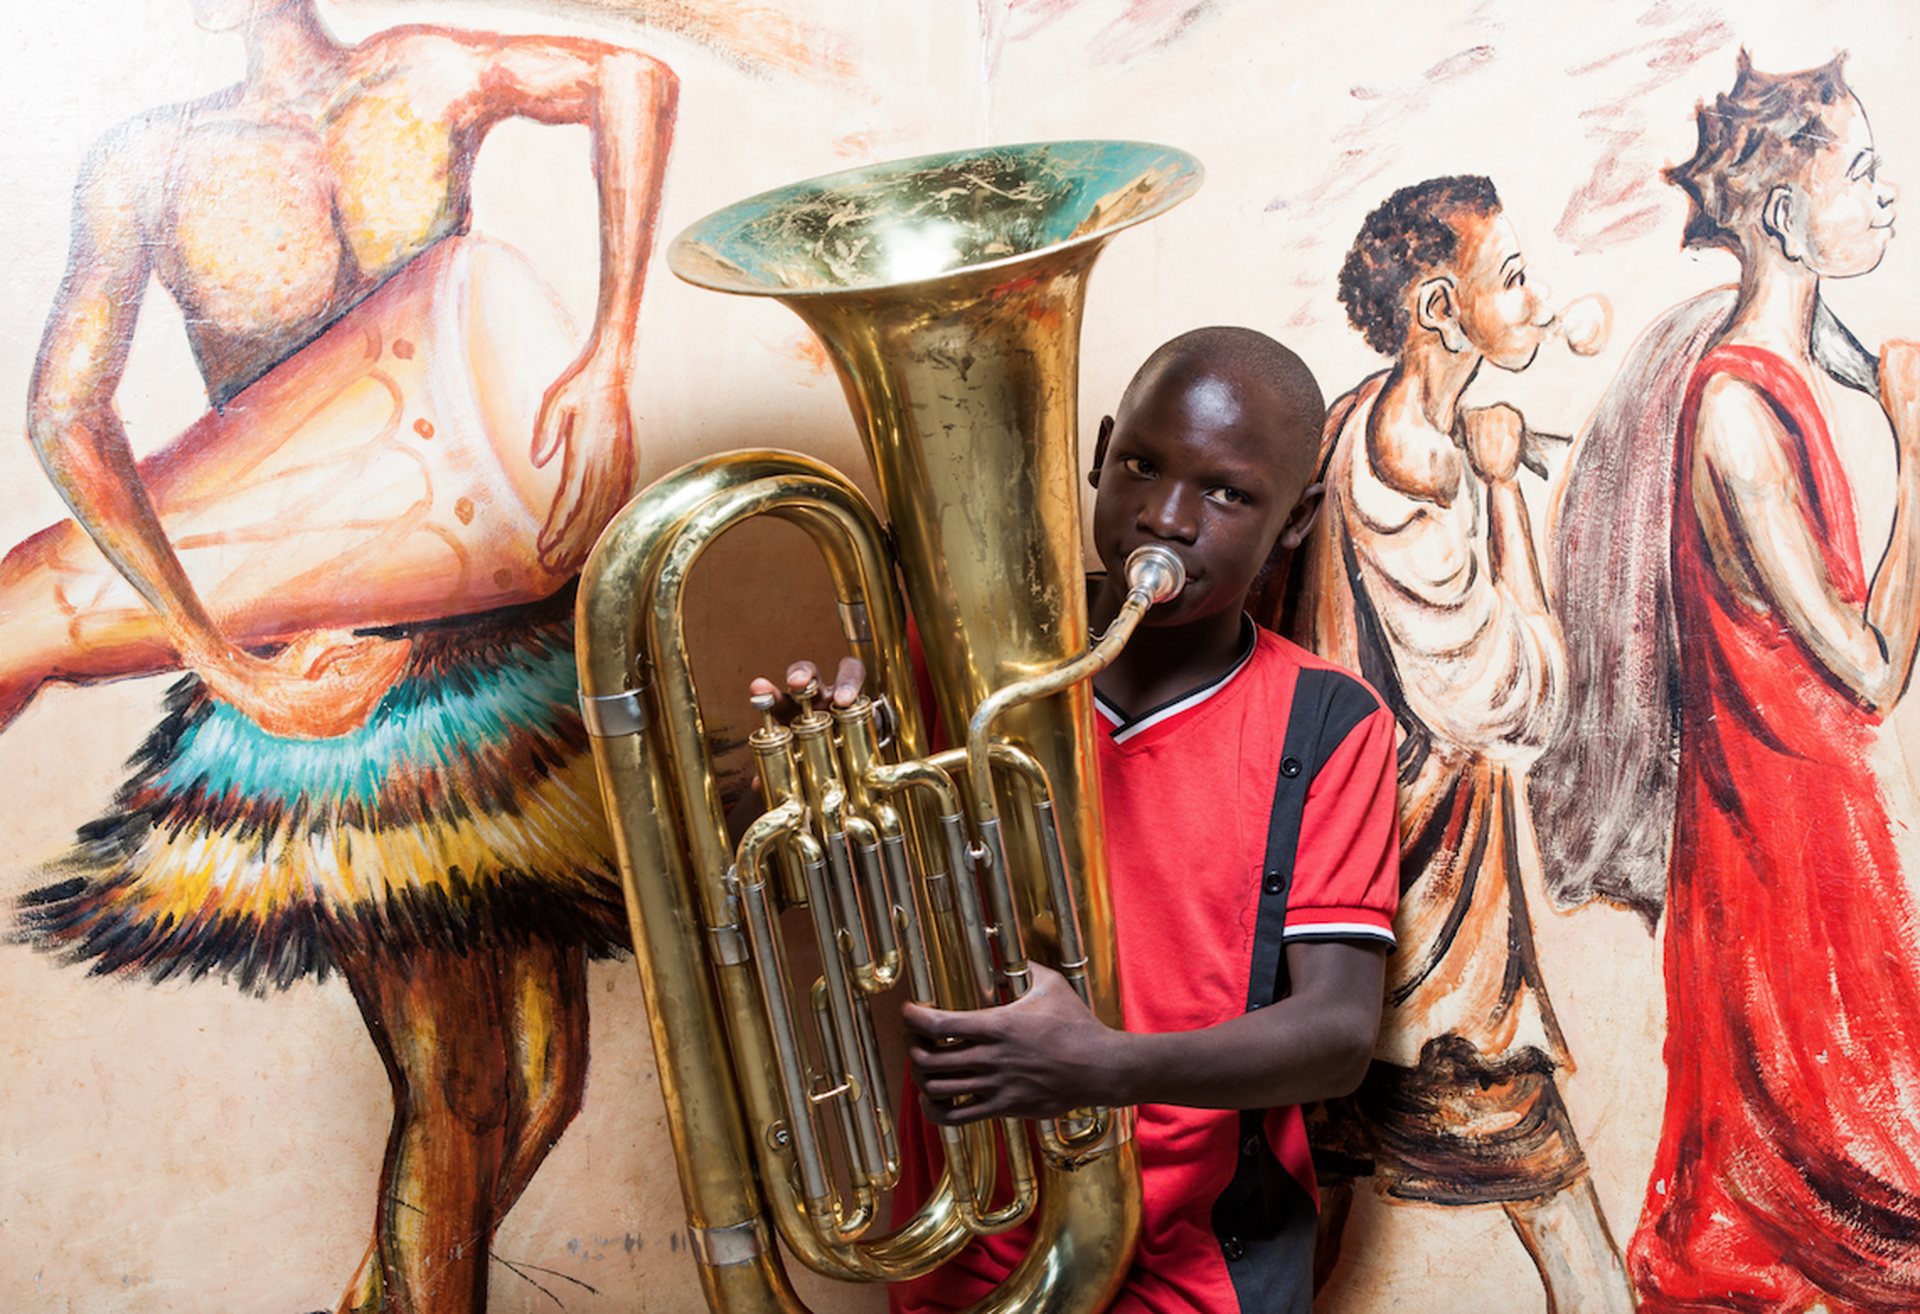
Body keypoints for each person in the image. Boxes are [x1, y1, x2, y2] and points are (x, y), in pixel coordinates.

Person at [9, 2, 678, 1311]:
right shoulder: (148, 159)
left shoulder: (421, 72)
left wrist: (609, 347)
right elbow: (62, 413)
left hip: (504, 644)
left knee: (542, 1080)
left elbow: (634, 80)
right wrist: (222, 657)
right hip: (337, 681)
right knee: (457, 1085)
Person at [770, 326, 1401, 1313]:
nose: (1166, 517)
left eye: (1227, 493)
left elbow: (1335, 1033)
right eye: (1142, 466)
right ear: (1101, 453)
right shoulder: (961, 671)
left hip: (1198, 1268)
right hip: (972, 1243)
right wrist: (833, 785)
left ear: (1294, 519)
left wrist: (1107, 1068)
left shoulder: (1329, 721)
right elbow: (865, 927)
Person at [1573, 53, 1920, 1309]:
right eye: (1865, 176)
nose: (1887, 202)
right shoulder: (1735, 412)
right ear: (1785, 213)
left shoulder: (1776, 387)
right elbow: (1873, 667)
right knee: (1834, 1200)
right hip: (1783, 858)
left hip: (1809, 837)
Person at [1263, 176, 1633, 1309]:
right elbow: (1521, 699)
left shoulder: (1351, 417)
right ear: (1439, 304)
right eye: (1510, 277)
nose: (1534, 300)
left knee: (1304, 1221)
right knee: (1561, 1218)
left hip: (1338, 911)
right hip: (1436, 937)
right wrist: (1505, 493)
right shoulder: (1412, 476)